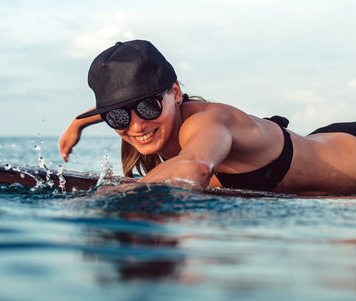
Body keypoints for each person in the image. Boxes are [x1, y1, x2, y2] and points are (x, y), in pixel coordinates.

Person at [58, 40, 356, 196]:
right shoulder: (151, 120)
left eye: (149, 106)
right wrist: (78, 123)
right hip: (320, 145)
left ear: (175, 92)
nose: (136, 125)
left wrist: (121, 192)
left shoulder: (208, 122)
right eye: (118, 116)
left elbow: (195, 168)